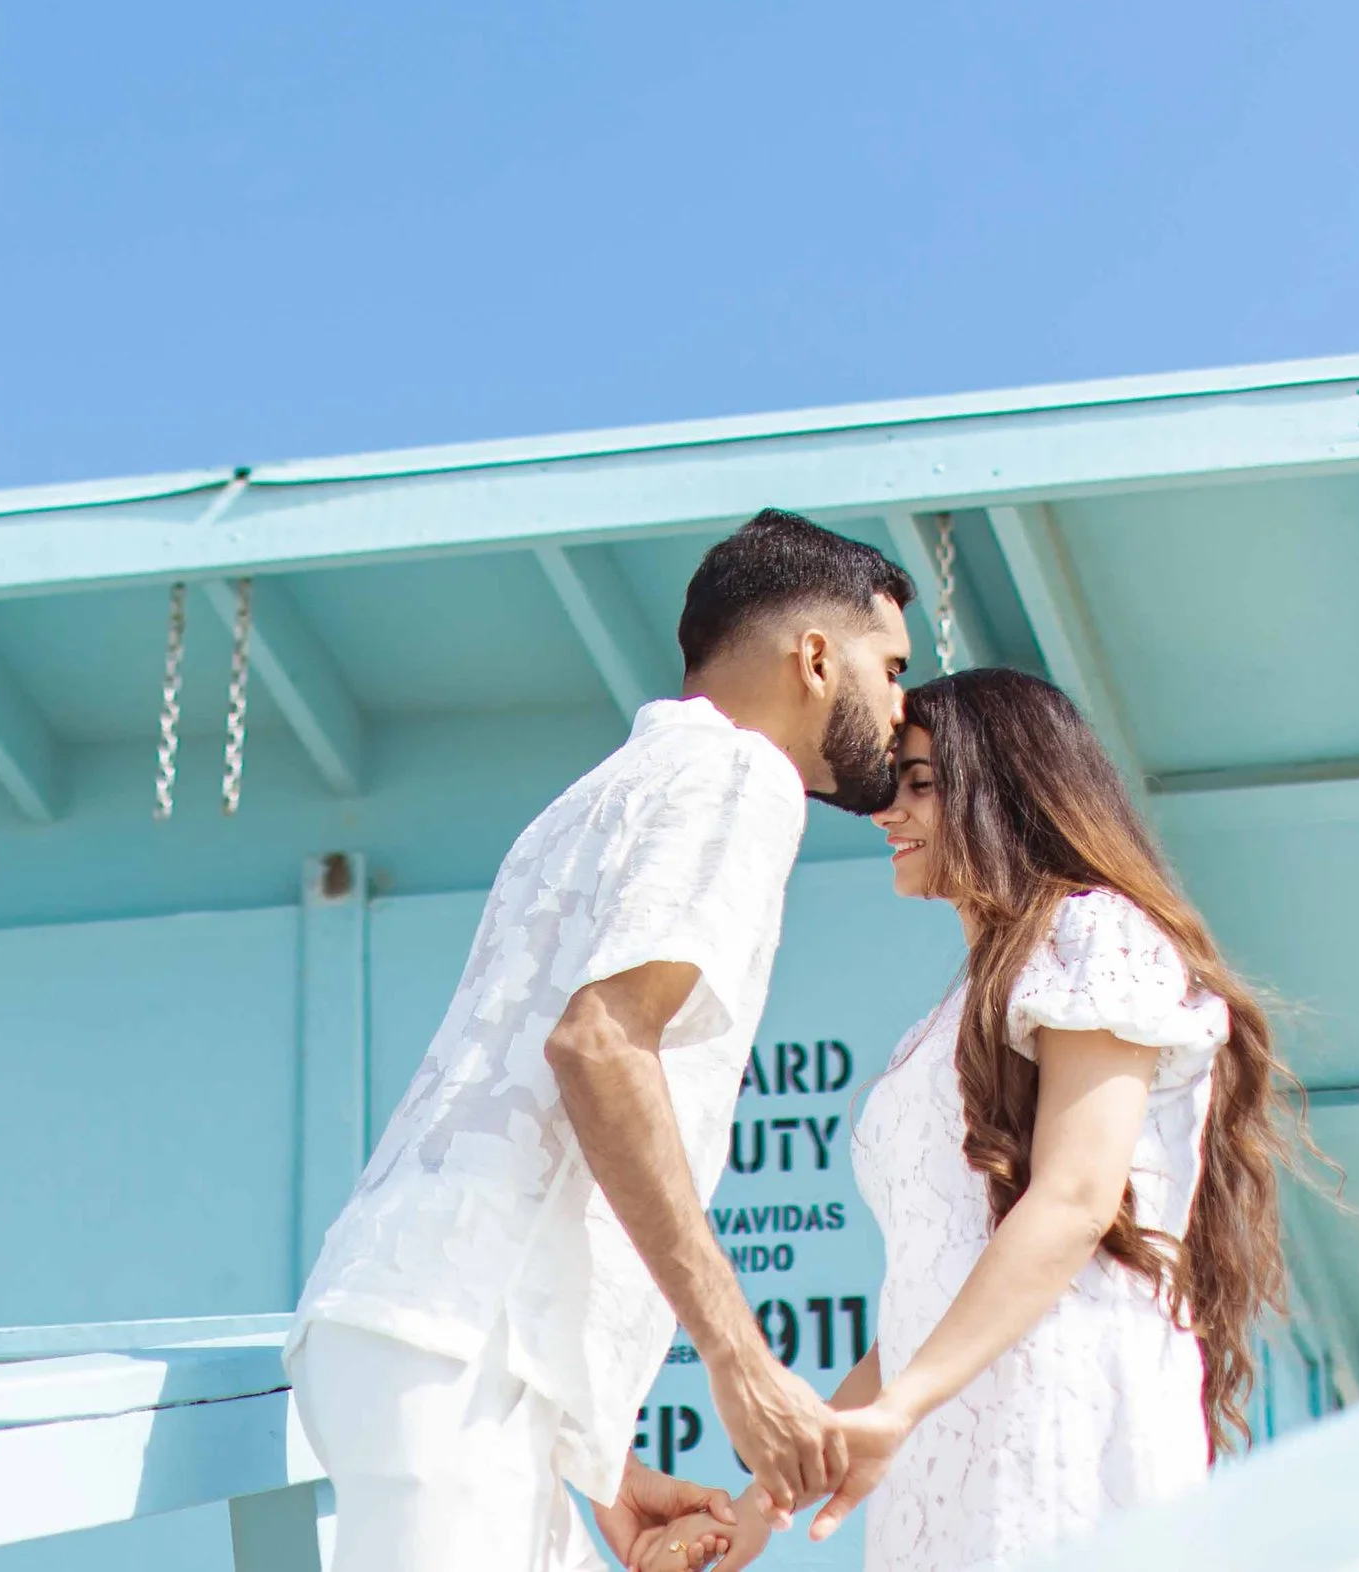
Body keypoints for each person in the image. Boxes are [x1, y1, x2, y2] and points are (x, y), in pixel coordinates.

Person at [287, 508, 915, 1572]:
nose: (900, 711)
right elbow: (597, 1045)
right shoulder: (740, 777)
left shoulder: (595, 794)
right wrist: (740, 1359)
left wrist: (598, 1458)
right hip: (463, 1353)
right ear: (816, 656)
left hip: (437, 1338)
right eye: (892, 668)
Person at [630, 667, 1300, 1572]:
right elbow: (920, 1304)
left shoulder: (1094, 932)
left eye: (920, 783)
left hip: (1058, 1410)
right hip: (943, 1446)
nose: (885, 812)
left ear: (1007, 787)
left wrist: (903, 1408)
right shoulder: (942, 1023)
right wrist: (753, 1514)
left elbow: (1074, 1197)